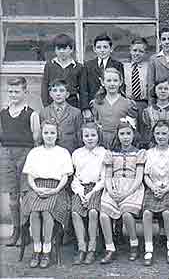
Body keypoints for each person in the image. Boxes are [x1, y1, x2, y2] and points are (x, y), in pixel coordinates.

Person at [20, 120, 73, 268]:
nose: (49, 136)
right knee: (34, 212)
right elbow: (30, 176)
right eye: (46, 133)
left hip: (57, 189)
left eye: (52, 133)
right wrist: (36, 189)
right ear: (41, 134)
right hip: (37, 188)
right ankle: (37, 249)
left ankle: (47, 250)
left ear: (57, 135)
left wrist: (56, 190)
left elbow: (65, 177)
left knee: (47, 212)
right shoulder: (34, 152)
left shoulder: (62, 152)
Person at [0, 77, 40, 246]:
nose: (13, 94)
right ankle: (15, 231)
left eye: (17, 91)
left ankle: (25, 231)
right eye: (10, 91)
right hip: (7, 155)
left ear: (25, 92)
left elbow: (37, 139)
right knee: (13, 196)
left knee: (25, 194)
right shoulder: (2, 113)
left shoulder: (32, 114)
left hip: (26, 155)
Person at [99, 120, 146, 264]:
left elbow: (139, 178)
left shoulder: (139, 153)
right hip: (113, 186)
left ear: (133, 134)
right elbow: (107, 175)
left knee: (126, 214)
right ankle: (110, 248)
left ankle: (134, 244)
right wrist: (111, 190)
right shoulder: (111, 153)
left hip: (132, 187)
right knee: (104, 215)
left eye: (128, 133)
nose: (125, 137)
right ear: (118, 135)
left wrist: (127, 193)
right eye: (122, 134)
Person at [142, 120, 169, 266]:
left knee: (166, 212)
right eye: (157, 133)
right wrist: (153, 188)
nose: (161, 136)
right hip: (153, 187)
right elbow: (145, 175)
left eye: (164, 133)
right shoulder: (149, 153)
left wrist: (165, 189)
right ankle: (148, 248)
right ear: (153, 134)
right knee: (147, 213)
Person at [70, 123, 106, 265]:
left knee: (92, 211)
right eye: (86, 136)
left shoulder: (103, 153)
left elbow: (104, 178)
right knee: (75, 212)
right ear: (82, 137)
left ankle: (92, 247)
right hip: (80, 189)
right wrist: (80, 193)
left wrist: (91, 193)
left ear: (98, 136)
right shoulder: (77, 154)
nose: (90, 138)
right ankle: (81, 248)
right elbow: (75, 178)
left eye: (93, 135)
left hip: (96, 188)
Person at [91, 68, 137, 148]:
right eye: (108, 81)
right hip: (102, 142)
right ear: (102, 82)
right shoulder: (96, 103)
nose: (112, 84)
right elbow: (95, 123)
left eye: (115, 80)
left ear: (120, 82)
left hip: (121, 141)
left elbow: (132, 127)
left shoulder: (128, 103)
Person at [41, 33, 87, 110]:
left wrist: (84, 108)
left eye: (65, 48)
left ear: (71, 49)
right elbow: (45, 87)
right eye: (59, 49)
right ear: (55, 50)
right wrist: (46, 106)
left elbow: (83, 90)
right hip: (53, 103)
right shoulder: (49, 65)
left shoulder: (79, 67)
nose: (62, 51)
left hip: (72, 103)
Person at [83, 34, 124, 120]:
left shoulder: (117, 65)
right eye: (99, 47)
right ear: (94, 49)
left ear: (111, 49)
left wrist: (120, 105)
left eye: (105, 47)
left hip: (111, 104)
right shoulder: (88, 65)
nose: (102, 50)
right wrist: (85, 108)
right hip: (92, 104)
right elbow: (84, 88)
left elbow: (122, 86)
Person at [39, 79, 82, 153]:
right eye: (55, 91)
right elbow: (41, 135)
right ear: (50, 94)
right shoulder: (44, 112)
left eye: (62, 91)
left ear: (67, 94)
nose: (58, 94)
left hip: (70, 150)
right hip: (50, 151)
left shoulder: (76, 113)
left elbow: (79, 135)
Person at [123, 37, 151, 149]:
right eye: (135, 50)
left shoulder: (149, 67)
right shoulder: (124, 67)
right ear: (130, 50)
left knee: (144, 132)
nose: (137, 53)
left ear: (145, 53)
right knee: (129, 130)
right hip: (128, 103)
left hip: (144, 103)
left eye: (141, 51)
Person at [142, 78, 169, 148]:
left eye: (166, 89)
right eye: (160, 88)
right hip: (154, 150)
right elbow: (147, 134)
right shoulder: (147, 112)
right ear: (155, 90)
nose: (163, 91)